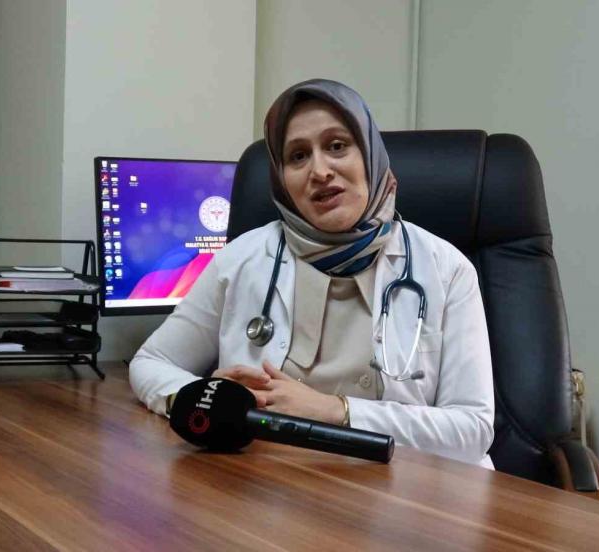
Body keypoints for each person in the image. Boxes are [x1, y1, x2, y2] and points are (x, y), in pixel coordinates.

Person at [130, 79, 494, 468]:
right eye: (298, 156)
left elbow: (472, 429)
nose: (319, 171)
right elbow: (150, 362)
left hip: (405, 487)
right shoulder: (240, 260)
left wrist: (335, 410)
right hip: (266, 484)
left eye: (337, 146)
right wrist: (203, 400)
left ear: (370, 155)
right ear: (281, 178)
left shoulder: (446, 269)